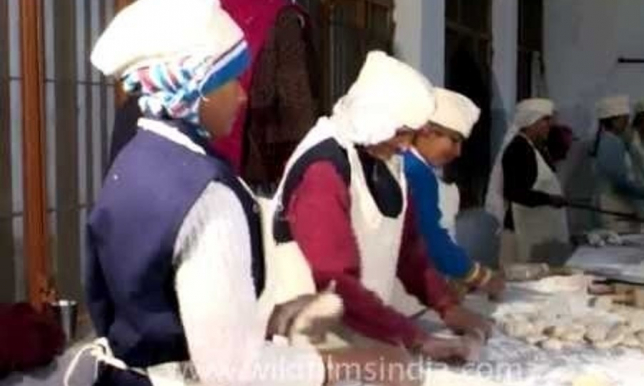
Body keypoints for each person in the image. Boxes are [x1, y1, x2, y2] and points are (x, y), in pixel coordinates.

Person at [83, 2, 411, 386]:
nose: (243, 96)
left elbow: (156, 302)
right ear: (194, 87)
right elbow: (232, 370)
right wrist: (353, 362)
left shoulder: (136, 159)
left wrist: (270, 317)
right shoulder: (205, 195)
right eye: (229, 81)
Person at [266, 51, 490, 364]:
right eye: (401, 132)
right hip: (310, 347)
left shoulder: (387, 163)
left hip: (363, 334)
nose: (405, 144)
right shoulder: (323, 169)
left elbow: (410, 250)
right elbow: (335, 282)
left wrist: (447, 306)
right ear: (376, 119)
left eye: (411, 134)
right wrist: (417, 338)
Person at [402, 88, 505, 300]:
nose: (458, 152)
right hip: (406, 291)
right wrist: (478, 276)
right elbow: (429, 236)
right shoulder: (416, 171)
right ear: (426, 131)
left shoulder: (412, 164)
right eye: (454, 140)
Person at [486, 99, 570, 266]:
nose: (549, 124)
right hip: (519, 230)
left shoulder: (533, 147)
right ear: (531, 121)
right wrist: (549, 199)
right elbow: (514, 191)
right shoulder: (518, 148)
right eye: (545, 120)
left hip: (532, 229)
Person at [591, 95, 644, 233]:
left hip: (618, 205)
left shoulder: (612, 141)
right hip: (613, 205)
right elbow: (620, 184)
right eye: (624, 118)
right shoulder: (611, 143)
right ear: (614, 120)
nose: (627, 122)